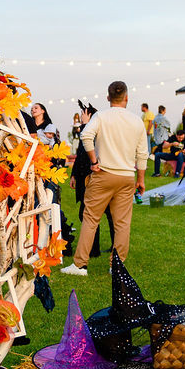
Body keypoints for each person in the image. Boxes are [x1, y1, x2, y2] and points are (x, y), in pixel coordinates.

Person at [61, 81, 147, 276]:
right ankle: (116, 267)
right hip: (126, 176)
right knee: (122, 223)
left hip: (103, 174)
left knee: (91, 218)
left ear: (108, 98)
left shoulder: (100, 116)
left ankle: (80, 264)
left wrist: (93, 161)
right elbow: (142, 154)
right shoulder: (136, 121)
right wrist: (140, 180)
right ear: (126, 97)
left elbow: (85, 136)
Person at [69, 103, 115, 257]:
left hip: (93, 178)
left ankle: (101, 249)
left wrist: (84, 125)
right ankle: (95, 249)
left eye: (83, 113)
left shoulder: (93, 131)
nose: (81, 116)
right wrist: (73, 175)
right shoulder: (88, 130)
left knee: (95, 213)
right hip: (84, 177)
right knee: (89, 214)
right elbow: (79, 154)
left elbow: (85, 154)